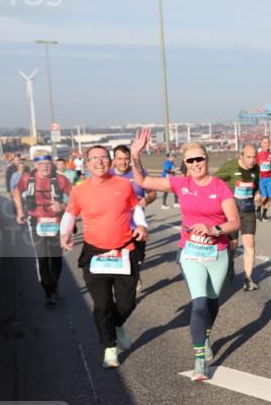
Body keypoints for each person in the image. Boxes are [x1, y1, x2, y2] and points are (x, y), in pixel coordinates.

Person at [129, 131, 241, 382]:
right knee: (199, 304)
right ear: (185, 165)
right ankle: (199, 359)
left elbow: (234, 221)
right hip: (190, 252)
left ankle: (205, 335)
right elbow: (144, 181)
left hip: (217, 252)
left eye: (199, 159)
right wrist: (136, 155)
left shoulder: (219, 187)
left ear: (207, 159)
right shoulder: (181, 184)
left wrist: (215, 229)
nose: (195, 164)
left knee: (212, 304)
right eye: (190, 161)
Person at [60, 146, 148, 368]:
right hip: (95, 254)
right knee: (102, 305)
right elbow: (70, 213)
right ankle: (109, 347)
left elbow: (135, 208)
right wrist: (65, 233)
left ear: (109, 162)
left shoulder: (124, 185)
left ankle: (117, 324)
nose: (99, 162)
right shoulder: (80, 190)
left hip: (124, 251)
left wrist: (143, 226)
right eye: (94, 158)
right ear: (87, 163)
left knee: (127, 303)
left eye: (103, 158)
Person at [13, 153, 74, 306]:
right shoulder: (27, 179)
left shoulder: (61, 179)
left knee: (56, 257)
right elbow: (16, 191)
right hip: (36, 222)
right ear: (35, 165)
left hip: (57, 221)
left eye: (48, 163)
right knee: (42, 257)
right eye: (41, 164)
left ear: (52, 164)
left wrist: (63, 206)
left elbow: (75, 199)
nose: (45, 167)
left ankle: (54, 283)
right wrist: (20, 211)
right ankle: (49, 291)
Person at [215, 144, 261, 291]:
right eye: (248, 157)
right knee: (233, 245)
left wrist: (258, 193)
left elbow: (256, 184)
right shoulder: (230, 167)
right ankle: (230, 263)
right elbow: (215, 182)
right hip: (231, 213)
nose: (252, 160)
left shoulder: (256, 169)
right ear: (241, 156)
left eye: (254, 157)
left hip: (248, 211)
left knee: (250, 243)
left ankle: (248, 279)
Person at [111, 145, 157, 289]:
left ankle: (135, 274)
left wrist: (146, 200)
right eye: (120, 159)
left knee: (138, 256)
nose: (123, 162)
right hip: (116, 226)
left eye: (126, 159)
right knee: (121, 257)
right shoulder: (108, 175)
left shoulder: (139, 173)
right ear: (114, 159)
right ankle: (127, 282)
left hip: (137, 225)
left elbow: (152, 193)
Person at [255, 137, 271, 220]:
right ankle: (258, 210)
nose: (266, 144)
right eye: (264, 143)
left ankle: (264, 215)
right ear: (261, 144)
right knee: (264, 196)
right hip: (261, 178)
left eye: (268, 142)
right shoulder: (257, 152)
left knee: (269, 197)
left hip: (269, 178)